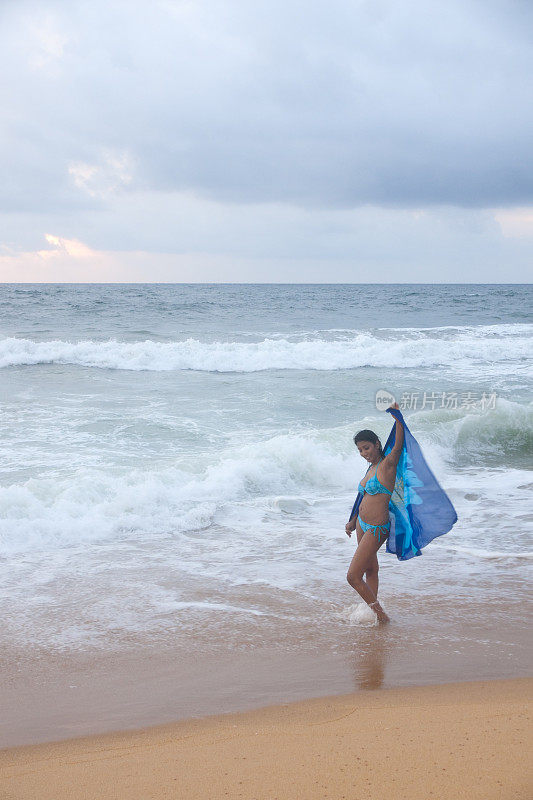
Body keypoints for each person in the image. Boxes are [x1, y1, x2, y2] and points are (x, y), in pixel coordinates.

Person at [345, 402, 404, 624]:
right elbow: (362, 496)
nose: (363, 453)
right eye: (360, 450)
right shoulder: (369, 469)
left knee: (352, 576)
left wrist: (397, 417)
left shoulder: (388, 464)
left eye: (367, 448)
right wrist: (352, 521)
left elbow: (398, 446)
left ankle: (381, 616)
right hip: (361, 523)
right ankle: (372, 611)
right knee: (371, 569)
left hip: (378, 527)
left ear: (377, 444)